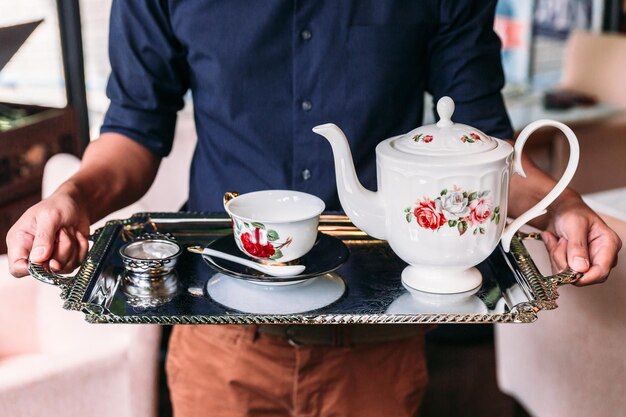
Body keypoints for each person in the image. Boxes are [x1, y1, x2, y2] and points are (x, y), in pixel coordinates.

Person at [7, 2, 621, 416]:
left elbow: (485, 143)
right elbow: (134, 130)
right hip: (220, 340)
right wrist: (73, 196)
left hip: (378, 339)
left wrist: (560, 203)